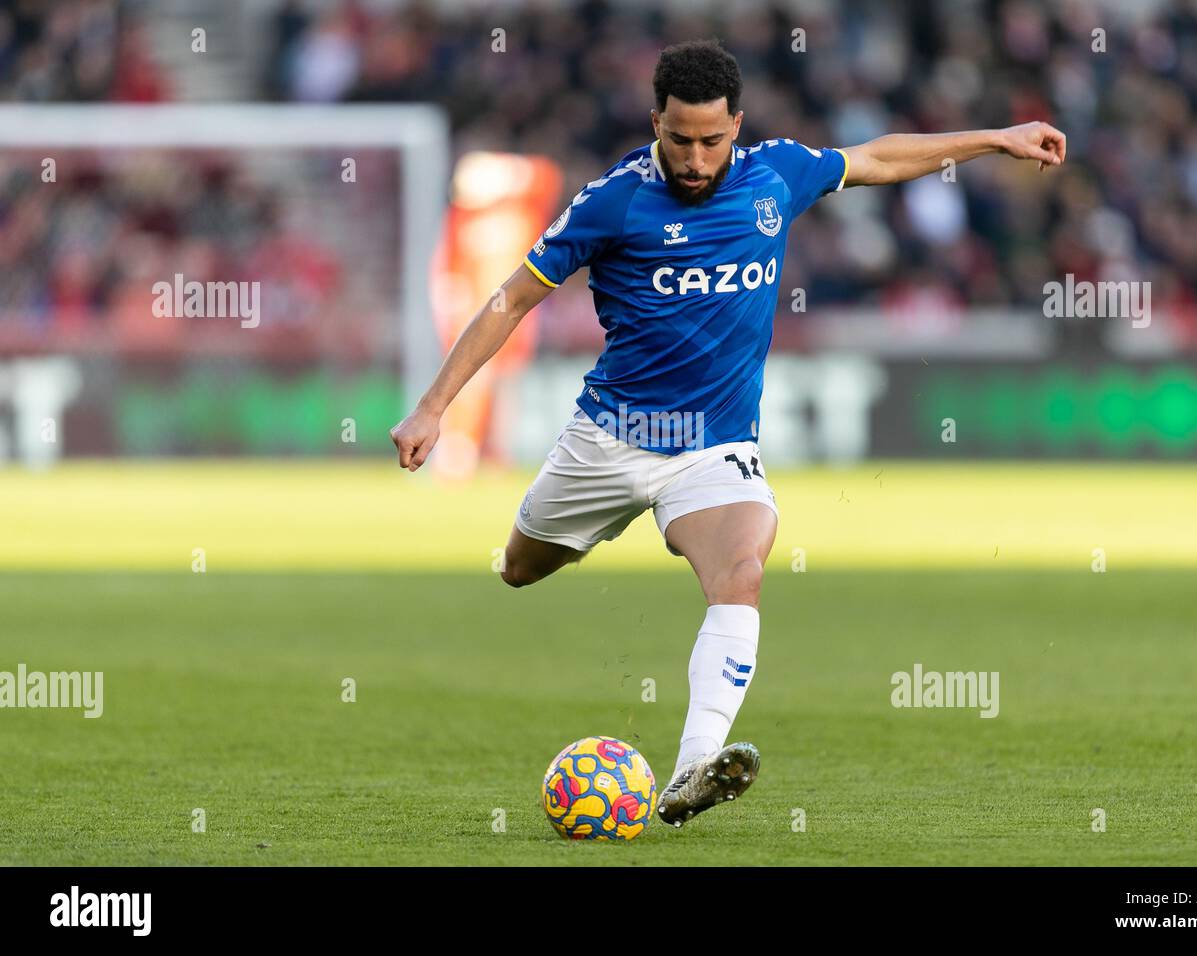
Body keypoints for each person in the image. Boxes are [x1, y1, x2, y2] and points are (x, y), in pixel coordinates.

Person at [390, 38, 1066, 829]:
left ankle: (692, 768)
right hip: (610, 439)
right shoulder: (613, 201)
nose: (697, 157)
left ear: (736, 126)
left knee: (741, 571)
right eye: (680, 139)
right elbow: (508, 301)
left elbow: (876, 157)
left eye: (713, 140)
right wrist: (433, 406)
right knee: (517, 568)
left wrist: (996, 139)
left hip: (714, 446)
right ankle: (555, 551)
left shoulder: (773, 174)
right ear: (656, 123)